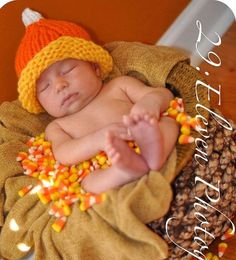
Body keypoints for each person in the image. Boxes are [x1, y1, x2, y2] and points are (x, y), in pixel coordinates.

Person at [16, 9, 179, 194]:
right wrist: (98, 139)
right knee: (87, 183)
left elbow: (164, 94)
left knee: (169, 123)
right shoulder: (57, 126)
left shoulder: (118, 86)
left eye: (67, 70)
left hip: (144, 139)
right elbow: (64, 154)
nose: (59, 85)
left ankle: (154, 155)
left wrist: (149, 104)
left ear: (95, 67)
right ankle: (124, 171)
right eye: (45, 87)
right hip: (105, 166)